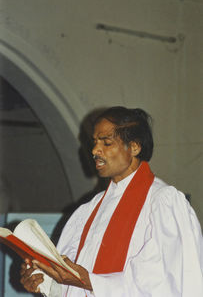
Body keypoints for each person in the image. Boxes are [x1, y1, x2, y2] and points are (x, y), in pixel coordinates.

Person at [20, 106, 203, 296]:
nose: (95, 150)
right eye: (95, 142)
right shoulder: (89, 209)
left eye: (106, 143)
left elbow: (162, 279)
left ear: (134, 147)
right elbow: (71, 282)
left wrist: (90, 281)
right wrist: (43, 279)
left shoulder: (162, 202)